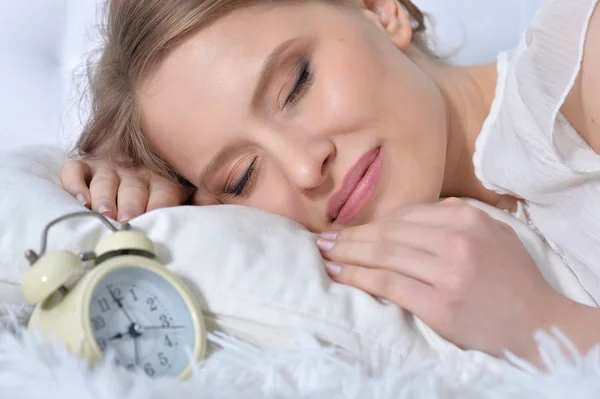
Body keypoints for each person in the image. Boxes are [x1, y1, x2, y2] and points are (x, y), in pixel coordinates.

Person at [60, 0, 600, 364]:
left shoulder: (583, 70)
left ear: (380, 10)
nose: (302, 168)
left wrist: (544, 324)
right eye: (242, 176)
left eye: (296, 85)